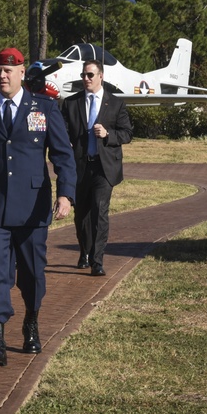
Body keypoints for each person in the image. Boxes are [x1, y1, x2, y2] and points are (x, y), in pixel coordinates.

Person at [0, 48, 76, 367]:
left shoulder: (45, 108)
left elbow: (63, 155)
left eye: (9, 70)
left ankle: (31, 321)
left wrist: (65, 194)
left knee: (33, 275)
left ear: (23, 72)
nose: (3, 75)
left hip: (32, 208)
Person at [61, 60, 133, 276]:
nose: (86, 79)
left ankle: (97, 260)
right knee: (81, 214)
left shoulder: (116, 103)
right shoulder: (71, 103)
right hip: (80, 166)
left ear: (101, 76)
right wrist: (67, 141)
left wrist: (108, 134)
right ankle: (84, 251)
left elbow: (127, 133)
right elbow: (62, 130)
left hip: (104, 167)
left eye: (90, 75)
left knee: (100, 211)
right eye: (84, 75)